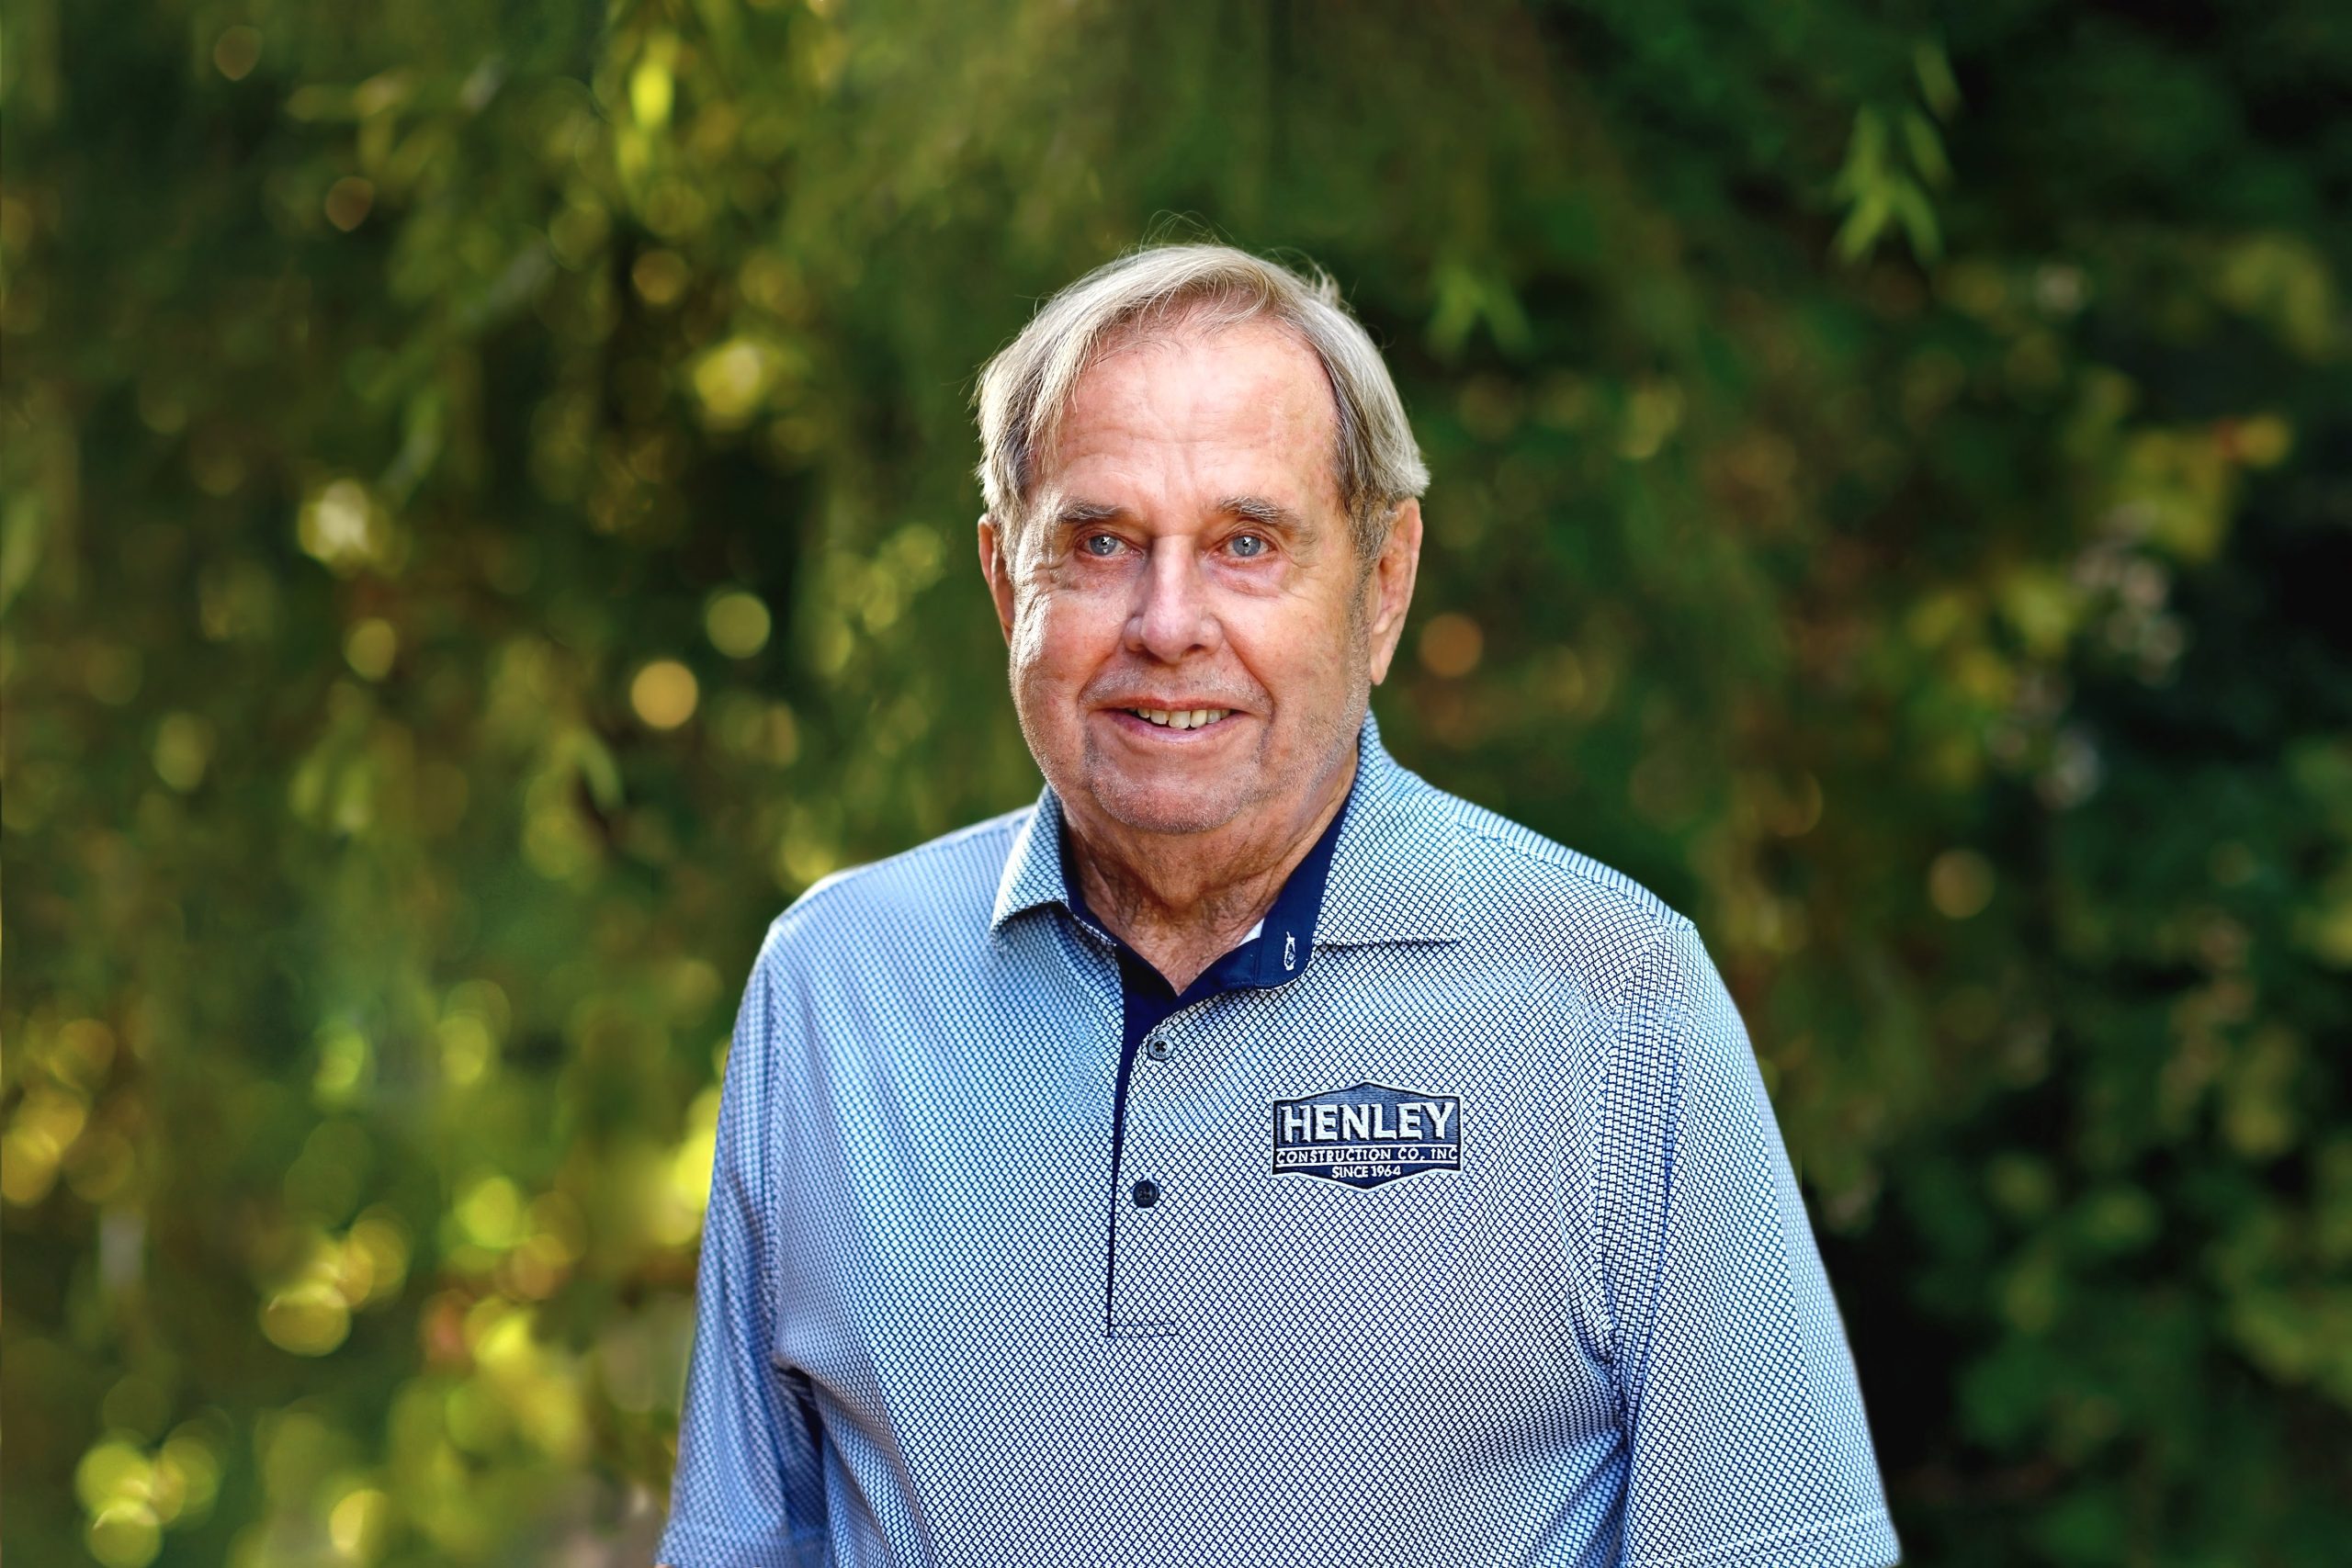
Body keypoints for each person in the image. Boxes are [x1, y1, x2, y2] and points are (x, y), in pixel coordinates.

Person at [656, 243, 1901, 1568]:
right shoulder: (833, 986)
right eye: (1099, 543)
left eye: (1247, 543)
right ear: (1005, 582)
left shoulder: (1615, 998)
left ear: (1381, 584)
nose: (1168, 621)